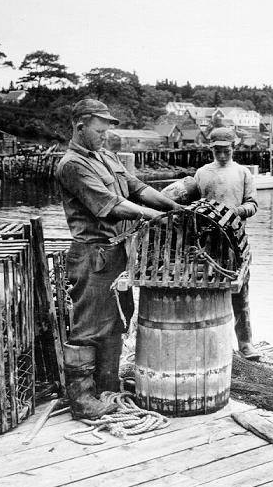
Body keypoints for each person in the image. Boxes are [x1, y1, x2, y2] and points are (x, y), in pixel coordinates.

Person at [56, 98, 183, 419]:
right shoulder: (72, 165)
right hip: (93, 255)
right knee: (87, 326)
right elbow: (112, 204)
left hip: (118, 253)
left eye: (106, 131)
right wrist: (153, 216)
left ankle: (107, 388)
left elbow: (138, 188)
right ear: (79, 126)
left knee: (114, 323)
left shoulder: (107, 157)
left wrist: (174, 208)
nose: (104, 136)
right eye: (99, 131)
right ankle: (82, 400)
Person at [162, 127, 260, 359]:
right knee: (200, 288)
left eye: (226, 151)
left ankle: (245, 344)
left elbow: (253, 204)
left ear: (233, 148)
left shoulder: (243, 173)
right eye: (218, 151)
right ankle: (203, 341)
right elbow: (189, 203)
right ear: (211, 150)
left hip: (234, 241)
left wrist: (235, 211)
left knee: (240, 292)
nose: (222, 155)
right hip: (204, 243)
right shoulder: (202, 173)